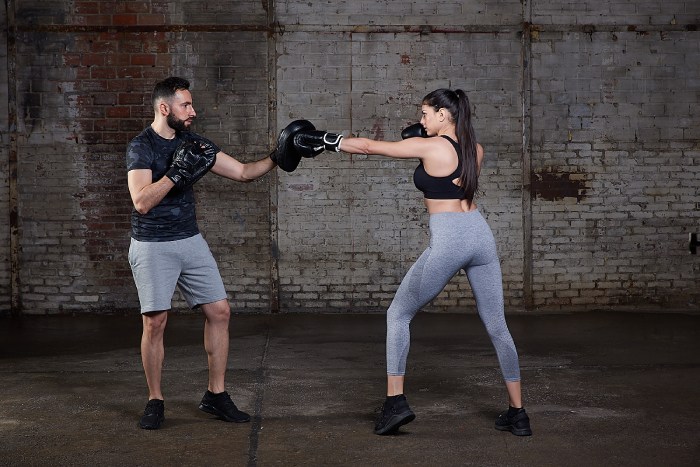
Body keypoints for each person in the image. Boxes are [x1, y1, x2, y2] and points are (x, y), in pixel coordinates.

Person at [294, 88, 532, 436]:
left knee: (398, 313)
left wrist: (323, 140)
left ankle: (395, 404)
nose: (420, 120)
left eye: (425, 113)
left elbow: (369, 147)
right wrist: (424, 136)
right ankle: (519, 413)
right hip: (480, 237)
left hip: (449, 239)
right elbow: (454, 182)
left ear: (442, 115)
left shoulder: (430, 147)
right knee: (497, 325)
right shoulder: (475, 150)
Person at [126, 76, 277, 430]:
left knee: (220, 312)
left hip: (190, 240)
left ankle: (216, 395)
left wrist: (279, 156)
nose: (193, 111)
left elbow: (242, 172)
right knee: (155, 322)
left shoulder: (194, 142)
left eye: (191, 105)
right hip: (152, 244)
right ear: (165, 108)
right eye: (186, 106)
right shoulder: (141, 146)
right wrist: (177, 174)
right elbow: (141, 202)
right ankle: (155, 399)